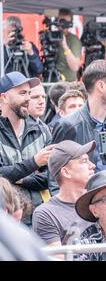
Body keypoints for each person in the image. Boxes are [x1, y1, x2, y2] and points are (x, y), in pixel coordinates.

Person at [32, 140, 106, 248]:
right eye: (84, 161)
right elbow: (56, 257)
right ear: (66, 172)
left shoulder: (103, 199)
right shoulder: (46, 213)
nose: (93, 165)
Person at [0, 72, 55, 226]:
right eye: (22, 93)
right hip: (7, 220)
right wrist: (34, 163)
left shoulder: (42, 131)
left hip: (42, 217)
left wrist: (21, 178)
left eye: (29, 93)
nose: (28, 98)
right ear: (4, 97)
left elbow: (50, 178)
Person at [56, 8, 82, 82]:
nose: (64, 24)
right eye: (62, 21)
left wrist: (65, 46)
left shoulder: (73, 40)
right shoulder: (51, 36)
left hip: (66, 83)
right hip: (50, 81)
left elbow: (75, 67)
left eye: (67, 22)